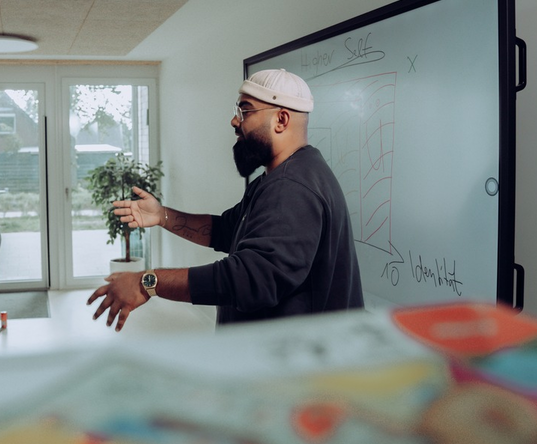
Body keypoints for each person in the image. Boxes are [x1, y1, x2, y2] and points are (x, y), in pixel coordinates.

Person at [88, 68, 364, 331]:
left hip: (296, 371)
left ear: (281, 120)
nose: (235, 121)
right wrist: (162, 215)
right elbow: (226, 230)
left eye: (245, 111)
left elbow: (251, 279)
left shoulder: (292, 187)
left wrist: (147, 282)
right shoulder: (277, 179)